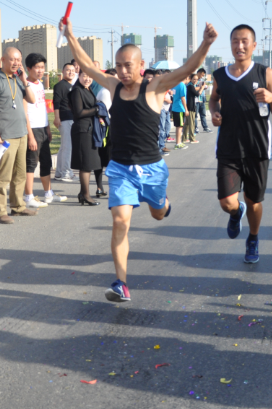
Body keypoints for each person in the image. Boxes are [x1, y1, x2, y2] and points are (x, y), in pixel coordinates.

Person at [61, 17, 217, 302]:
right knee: (120, 221)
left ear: (140, 65)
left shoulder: (155, 87)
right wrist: (70, 35)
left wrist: (205, 44)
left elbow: (187, 68)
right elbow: (86, 65)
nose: (121, 71)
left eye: (127, 65)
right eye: (118, 65)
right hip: (121, 168)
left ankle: (163, 203)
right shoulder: (113, 85)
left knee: (158, 213)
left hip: (152, 169)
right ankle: (121, 283)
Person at [209, 24, 272, 264]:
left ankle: (253, 238)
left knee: (254, 202)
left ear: (254, 45)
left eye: (244, 41)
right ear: (230, 44)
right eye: (234, 41)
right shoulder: (220, 75)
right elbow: (213, 100)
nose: (239, 46)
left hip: (257, 148)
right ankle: (235, 212)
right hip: (229, 148)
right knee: (226, 202)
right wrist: (215, 113)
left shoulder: (265, 73)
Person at [0, 47, 38, 224]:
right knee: (3, 176)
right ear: (3, 60)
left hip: (21, 133)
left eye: (18, 59)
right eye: (12, 59)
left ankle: (18, 207)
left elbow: (31, 100)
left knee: (20, 174)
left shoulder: (18, 79)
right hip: (6, 136)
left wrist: (24, 80)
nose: (16, 63)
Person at [23, 52, 65, 207]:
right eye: (37, 67)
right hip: (32, 129)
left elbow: (42, 109)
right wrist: (30, 136)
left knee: (46, 162)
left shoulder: (40, 84)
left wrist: (47, 128)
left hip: (42, 128)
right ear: (28, 68)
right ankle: (29, 196)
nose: (40, 70)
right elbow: (25, 113)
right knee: (31, 164)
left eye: (42, 67)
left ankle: (48, 193)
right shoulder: (25, 85)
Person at [69, 67, 103, 205]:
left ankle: (83, 193)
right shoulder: (77, 90)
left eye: (90, 76)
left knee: (88, 163)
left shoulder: (87, 89)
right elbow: (78, 112)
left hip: (89, 129)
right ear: (79, 75)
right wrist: (96, 109)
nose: (87, 79)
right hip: (82, 130)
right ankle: (85, 195)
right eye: (84, 76)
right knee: (85, 164)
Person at [95, 68, 117, 197]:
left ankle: (100, 187)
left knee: (104, 159)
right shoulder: (106, 92)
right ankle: (103, 187)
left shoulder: (109, 91)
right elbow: (108, 112)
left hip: (108, 128)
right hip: (107, 129)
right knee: (109, 160)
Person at [53, 63, 77, 181]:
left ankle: (59, 172)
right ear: (63, 71)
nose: (71, 72)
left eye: (73, 70)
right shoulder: (60, 85)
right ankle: (66, 172)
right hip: (65, 117)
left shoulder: (72, 85)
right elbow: (56, 102)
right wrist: (57, 117)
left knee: (64, 146)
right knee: (68, 146)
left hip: (70, 117)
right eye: (68, 70)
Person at [155, 70, 172, 156]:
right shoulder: (157, 86)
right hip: (161, 109)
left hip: (167, 110)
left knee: (168, 127)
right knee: (161, 129)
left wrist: (169, 92)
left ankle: (160, 143)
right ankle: (161, 146)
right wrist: (166, 98)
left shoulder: (165, 85)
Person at [185, 73, 204, 143]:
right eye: (194, 79)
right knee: (191, 124)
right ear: (190, 79)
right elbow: (197, 94)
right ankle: (192, 139)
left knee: (187, 124)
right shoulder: (190, 86)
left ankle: (184, 138)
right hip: (190, 107)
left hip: (190, 106)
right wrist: (201, 88)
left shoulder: (190, 85)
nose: (195, 80)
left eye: (196, 79)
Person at [171, 74, 188, 149]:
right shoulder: (182, 85)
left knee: (178, 126)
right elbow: (183, 98)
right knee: (180, 126)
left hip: (175, 108)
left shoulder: (175, 84)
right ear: (186, 78)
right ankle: (178, 143)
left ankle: (178, 142)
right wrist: (186, 109)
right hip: (180, 108)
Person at [194, 68, 212, 133]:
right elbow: (193, 88)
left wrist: (205, 86)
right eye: (202, 75)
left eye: (203, 75)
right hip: (196, 100)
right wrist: (201, 87)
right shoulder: (194, 80)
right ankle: (195, 128)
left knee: (203, 114)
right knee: (195, 115)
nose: (202, 76)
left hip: (202, 99)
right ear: (198, 73)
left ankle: (205, 127)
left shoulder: (202, 80)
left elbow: (205, 87)